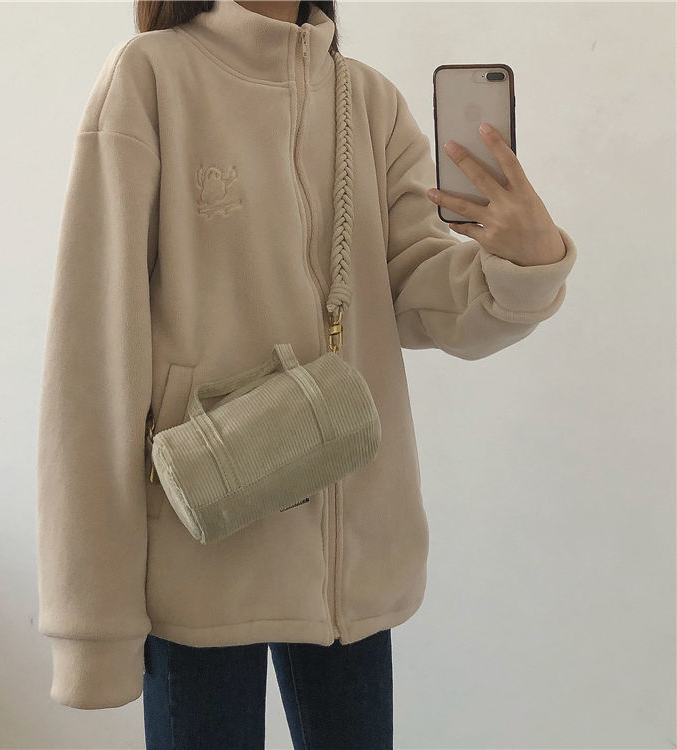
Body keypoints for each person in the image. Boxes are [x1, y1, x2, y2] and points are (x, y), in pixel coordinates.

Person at [35, 0, 578, 746]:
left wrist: (525, 262)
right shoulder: (151, 75)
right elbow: (93, 354)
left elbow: (422, 297)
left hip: (350, 561)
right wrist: (90, 624)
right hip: (203, 539)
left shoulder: (368, 99)